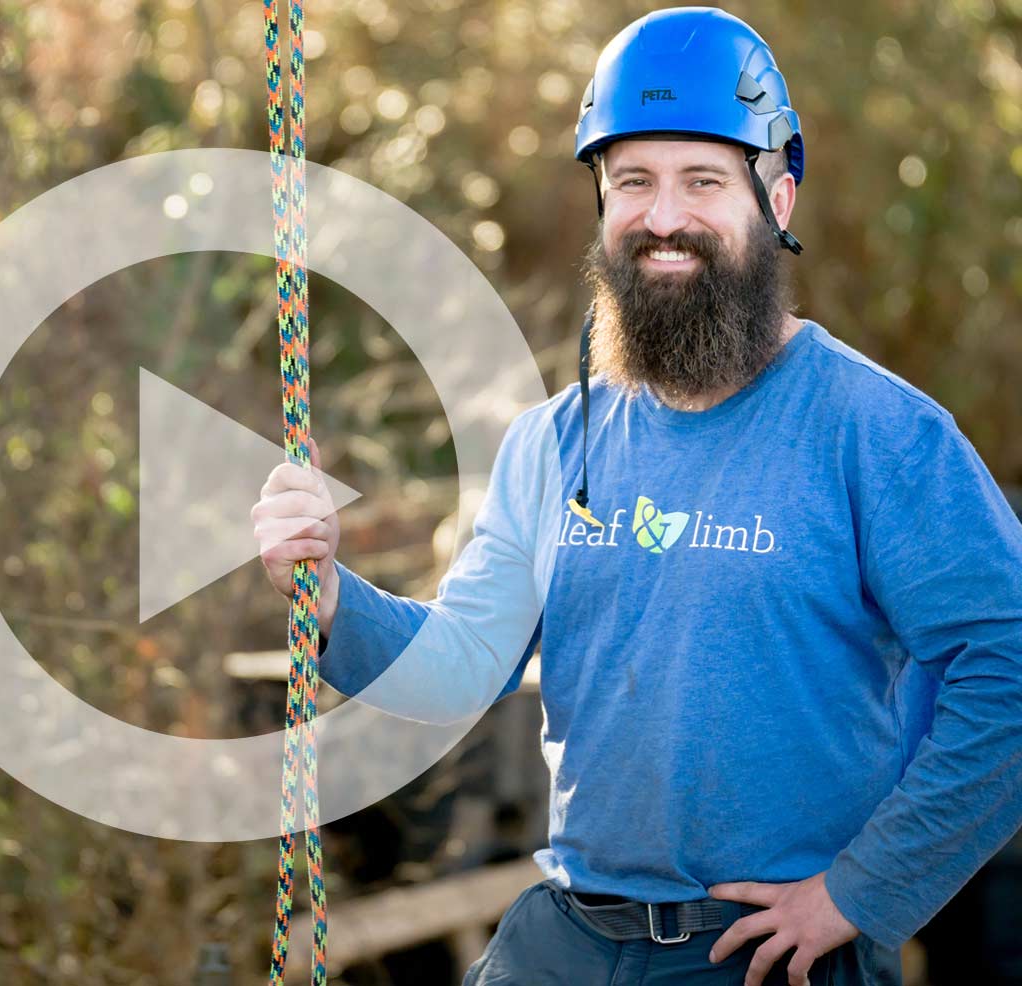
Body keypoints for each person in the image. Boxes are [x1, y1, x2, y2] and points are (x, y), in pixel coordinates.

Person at [250, 8, 1022, 986]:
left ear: (777, 196)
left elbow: (1008, 661)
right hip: (569, 935)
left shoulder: (877, 431)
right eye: (633, 182)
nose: (663, 217)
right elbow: (458, 667)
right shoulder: (550, 442)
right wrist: (326, 598)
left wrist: (862, 893)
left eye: (703, 180)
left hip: (765, 952)